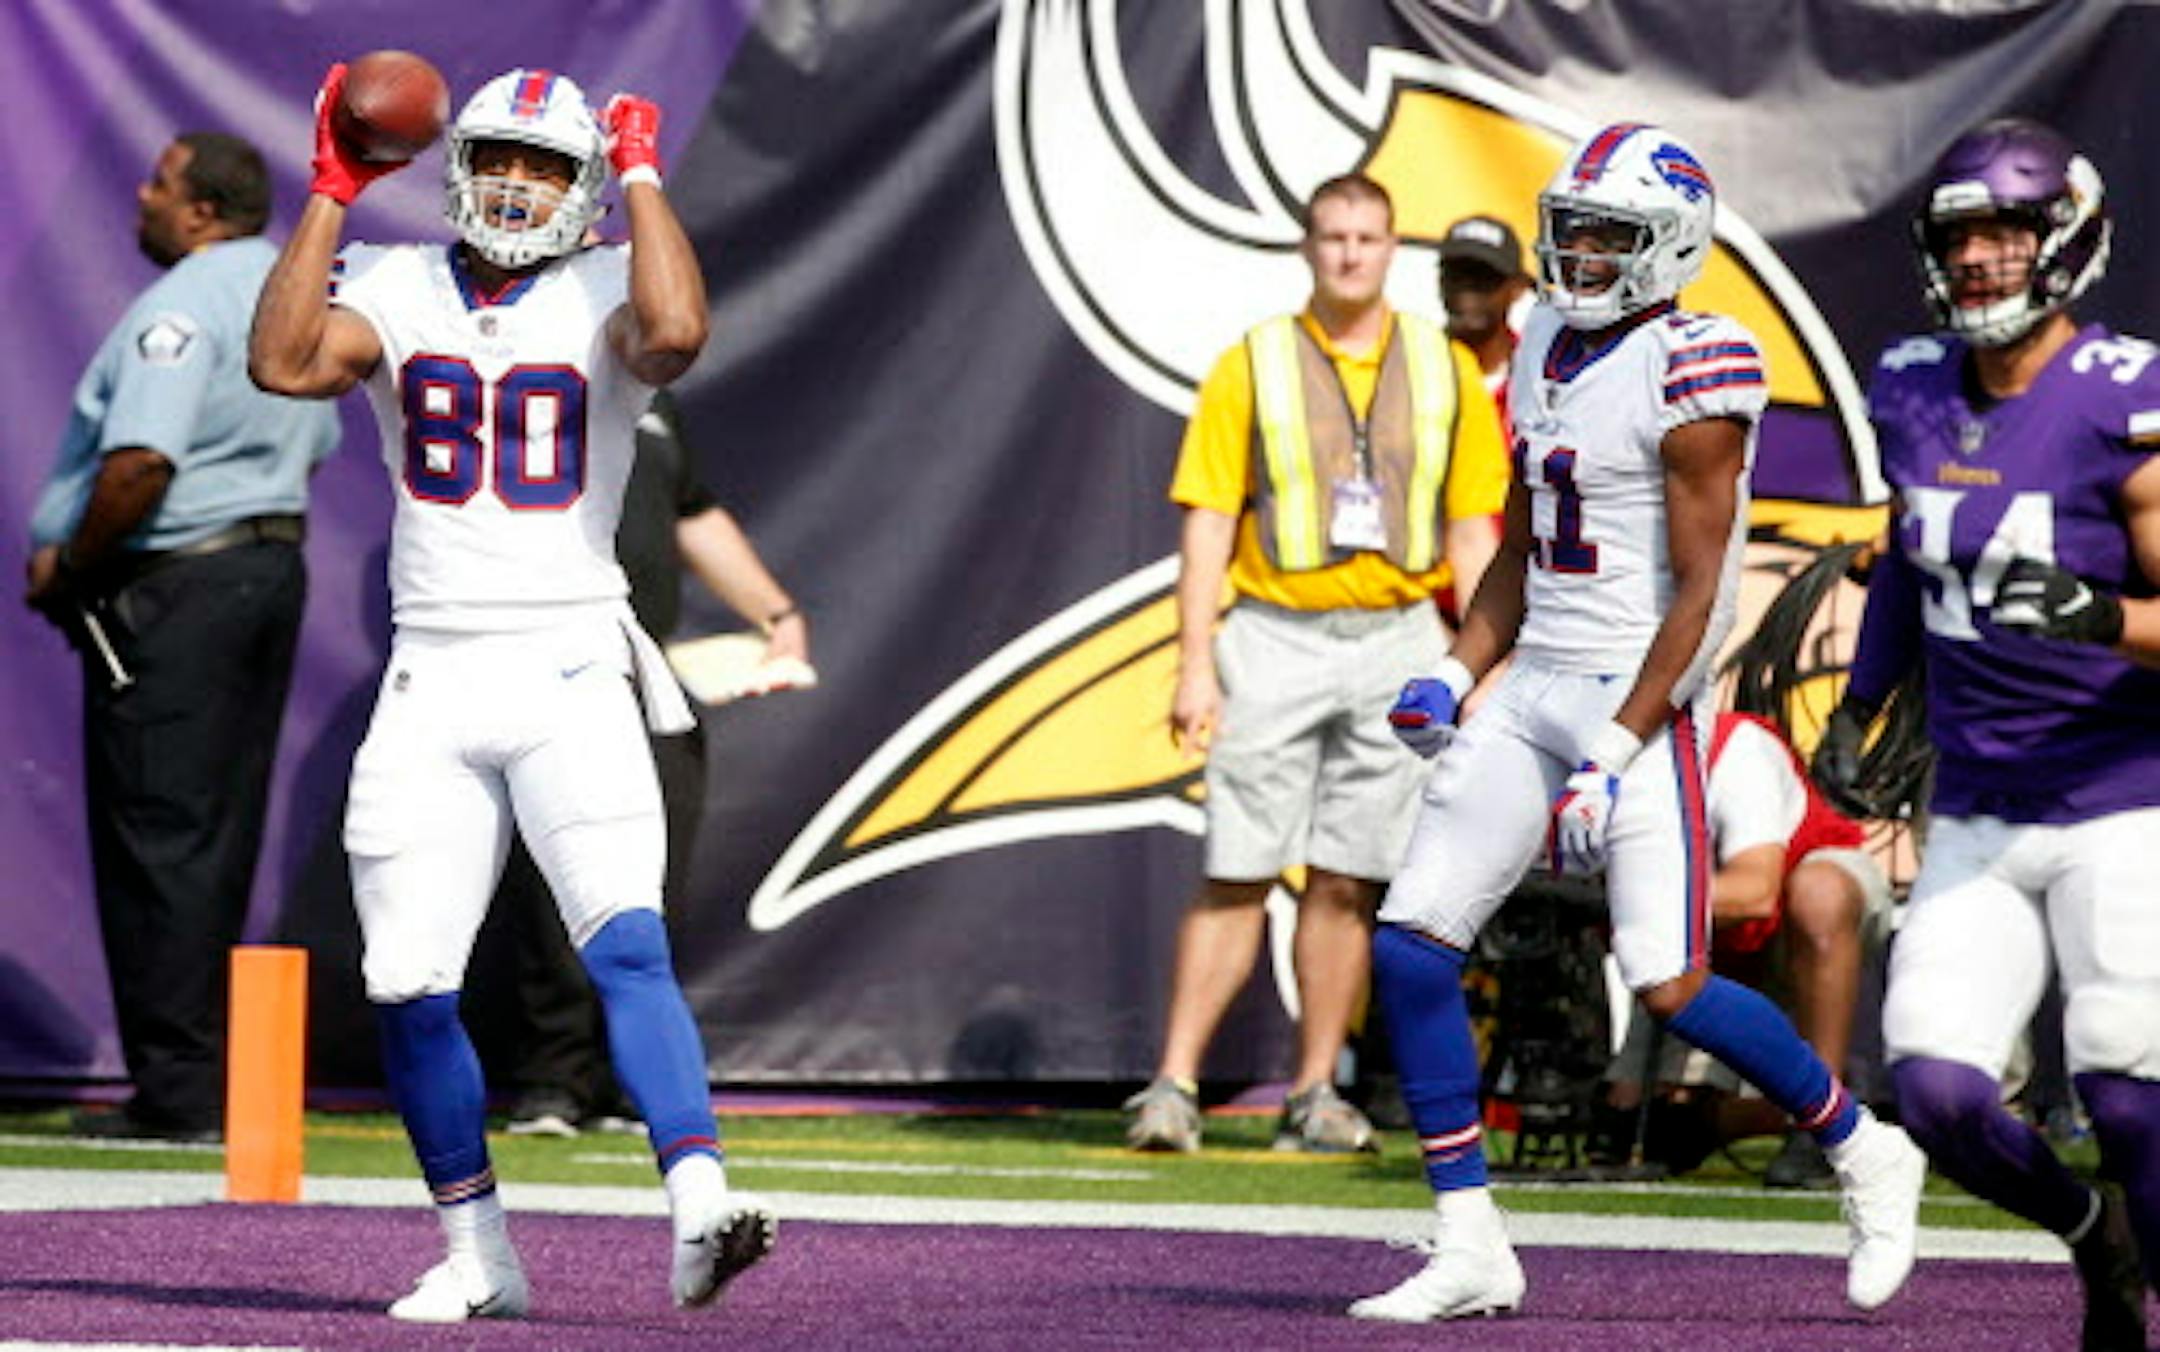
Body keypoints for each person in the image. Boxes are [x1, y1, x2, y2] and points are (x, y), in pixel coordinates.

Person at [1353, 122, 1926, 1323]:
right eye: (1570, 228)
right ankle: (1470, 1238)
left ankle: (1864, 1145)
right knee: (1411, 942)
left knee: (1668, 981)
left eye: (1609, 234)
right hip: (1540, 675)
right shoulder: (1547, 333)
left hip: (1641, 688)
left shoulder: (1696, 366)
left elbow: (1702, 600)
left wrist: (1616, 748)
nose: (1580, 254)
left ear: (1669, 247)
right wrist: (1456, 674)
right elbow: (1521, 536)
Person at [248, 65, 773, 1321]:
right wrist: (329, 189)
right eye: (497, 157)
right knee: (407, 983)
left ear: (582, 183)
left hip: (571, 659)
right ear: (460, 166)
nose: (516, 182)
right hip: (432, 671)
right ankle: (480, 1253)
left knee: (626, 938)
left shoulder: (609, 285)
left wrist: (644, 175)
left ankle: (701, 1202)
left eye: (546, 164)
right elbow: (282, 361)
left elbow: (680, 333)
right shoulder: (395, 277)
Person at [1812, 117, 2159, 1350]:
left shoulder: (2129, 394)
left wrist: (2102, 613)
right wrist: (1865, 698)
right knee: (1937, 1088)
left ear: (2065, 239)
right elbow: (1909, 563)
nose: (1982, 260)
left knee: (2128, 1091)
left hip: (2125, 797)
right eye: (1962, 237)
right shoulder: (1908, 380)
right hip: (1976, 804)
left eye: (2008, 233)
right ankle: (2090, 1239)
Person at [1124, 172, 1507, 1156]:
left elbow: (1472, 533)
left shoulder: (1442, 368)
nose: (1349, 253)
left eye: (1368, 237)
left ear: (1391, 249)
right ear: (1307, 247)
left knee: (1348, 878)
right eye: (1333, 235)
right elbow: (1208, 520)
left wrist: (1484, 665)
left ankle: (1314, 1090)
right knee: (1237, 867)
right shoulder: (1250, 362)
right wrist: (1194, 661)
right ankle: (1173, 1083)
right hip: (1276, 630)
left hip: (1396, 633)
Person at [23, 132, 340, 1144]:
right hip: (266, 565)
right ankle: (204, 1078)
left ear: (202, 211)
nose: (142, 195)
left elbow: (142, 462)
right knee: (213, 832)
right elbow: (321, 431)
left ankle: (178, 1090)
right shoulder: (294, 295)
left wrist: (72, 565)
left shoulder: (176, 309)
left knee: (157, 831)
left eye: (160, 183)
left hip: (177, 582)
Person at [499, 389, 808, 1139]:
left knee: (648, 878)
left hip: (646, 672)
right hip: (552, 660)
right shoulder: (522, 375)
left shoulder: (653, 401)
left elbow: (693, 513)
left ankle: (621, 1076)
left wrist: (777, 615)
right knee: (555, 880)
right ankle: (554, 1078)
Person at [1599, 711, 1889, 1189]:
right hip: (1702, 936)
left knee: (1819, 892)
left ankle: (1821, 1123)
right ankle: (1859, 1115)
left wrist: (1628, 895)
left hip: (1794, 912)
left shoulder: (1735, 748)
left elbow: (1754, 892)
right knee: (1645, 1126)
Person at [1437, 214, 1532, 442]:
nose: (1466, 290)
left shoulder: (1542, 377)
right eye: (1455, 275)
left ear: (1517, 288)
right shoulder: (1410, 366)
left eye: (1483, 277)